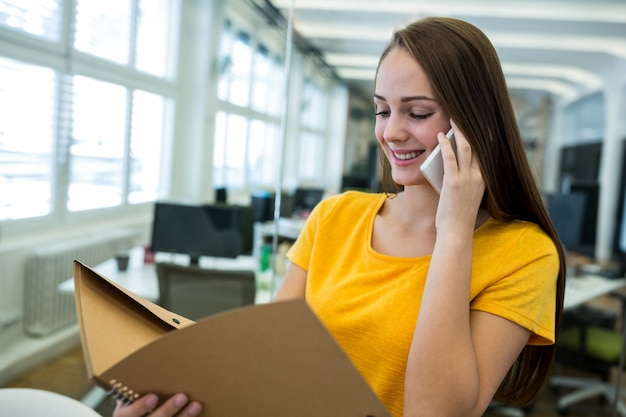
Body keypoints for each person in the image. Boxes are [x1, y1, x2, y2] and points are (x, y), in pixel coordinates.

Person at [113, 16, 565, 417]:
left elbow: (436, 412)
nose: (390, 132)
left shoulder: (524, 254)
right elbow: (267, 361)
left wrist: (453, 232)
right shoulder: (335, 216)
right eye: (382, 110)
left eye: (418, 112)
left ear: (475, 122)